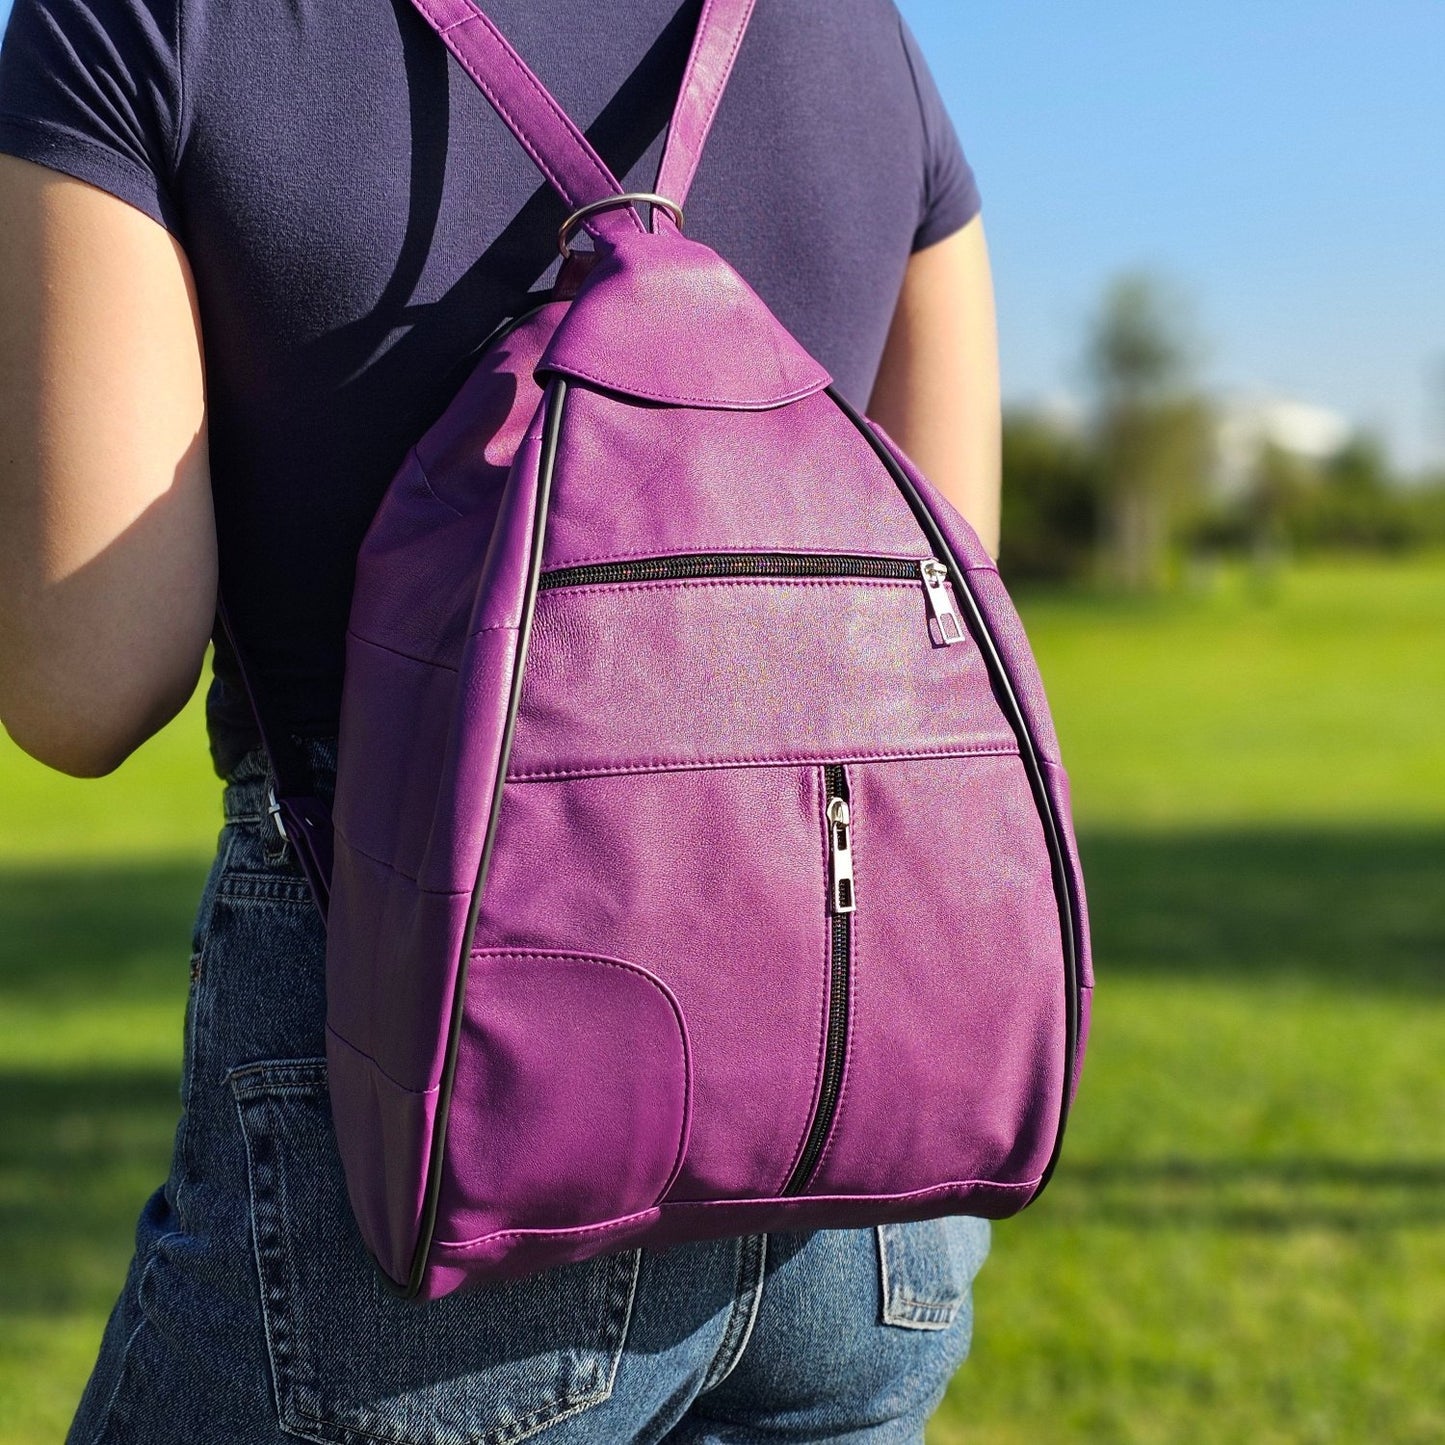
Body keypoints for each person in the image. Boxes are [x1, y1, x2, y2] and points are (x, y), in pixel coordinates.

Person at [0, 0, 1003, 1438]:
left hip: (440, 1128)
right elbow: (939, 593)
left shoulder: (143, 24)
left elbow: (87, 682)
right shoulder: (859, 31)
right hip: (864, 1164)